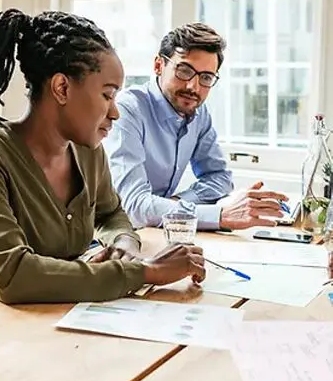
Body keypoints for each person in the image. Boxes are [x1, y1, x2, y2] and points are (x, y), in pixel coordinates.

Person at [0, 10, 206, 320]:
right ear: (61, 88)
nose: (115, 112)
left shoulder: (87, 151)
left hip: (31, 318)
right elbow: (12, 274)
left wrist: (125, 244)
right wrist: (145, 272)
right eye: (107, 95)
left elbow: (110, 213)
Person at [103, 22, 288, 230]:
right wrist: (220, 215)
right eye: (184, 71)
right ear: (158, 65)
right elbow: (134, 206)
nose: (193, 87)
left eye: (206, 77)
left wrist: (177, 204)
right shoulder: (127, 111)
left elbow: (220, 178)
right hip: (108, 238)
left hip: (155, 232)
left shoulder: (197, 111)